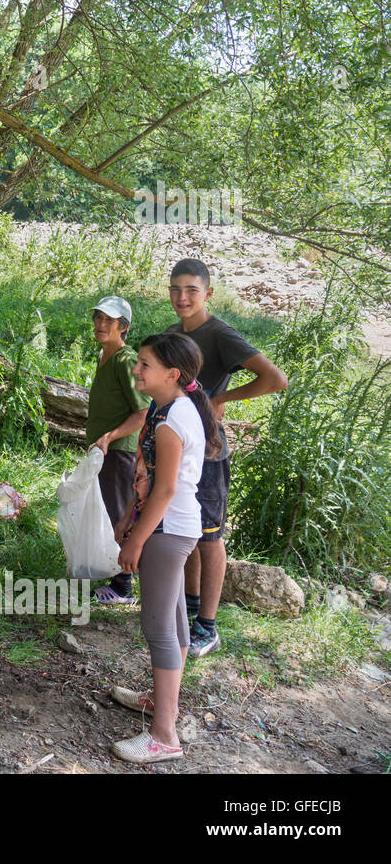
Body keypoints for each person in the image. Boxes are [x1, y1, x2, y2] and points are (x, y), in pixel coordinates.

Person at [164, 259, 287, 657]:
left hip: (210, 454)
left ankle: (208, 627)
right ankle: (191, 608)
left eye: (191, 290)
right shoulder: (171, 335)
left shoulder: (220, 334)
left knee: (210, 537)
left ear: (208, 294)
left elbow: (275, 379)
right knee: (185, 530)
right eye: (175, 289)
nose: (182, 298)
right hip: (176, 448)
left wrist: (221, 398)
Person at [108, 332, 219, 763]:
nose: (137, 369)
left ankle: (164, 736)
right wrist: (126, 520)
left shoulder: (173, 421)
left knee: (159, 629)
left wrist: (136, 539)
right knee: (175, 622)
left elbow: (166, 489)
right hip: (172, 527)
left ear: (172, 374)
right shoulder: (169, 406)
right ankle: (161, 701)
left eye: (145, 364)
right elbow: (149, 478)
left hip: (167, 530)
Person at [85, 296, 148, 605]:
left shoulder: (126, 360)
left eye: (108, 321)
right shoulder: (103, 355)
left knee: (118, 512)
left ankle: (124, 584)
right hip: (104, 448)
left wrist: (111, 436)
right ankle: (113, 571)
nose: (100, 324)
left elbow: (142, 412)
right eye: (98, 318)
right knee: (106, 511)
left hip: (120, 450)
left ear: (123, 327)